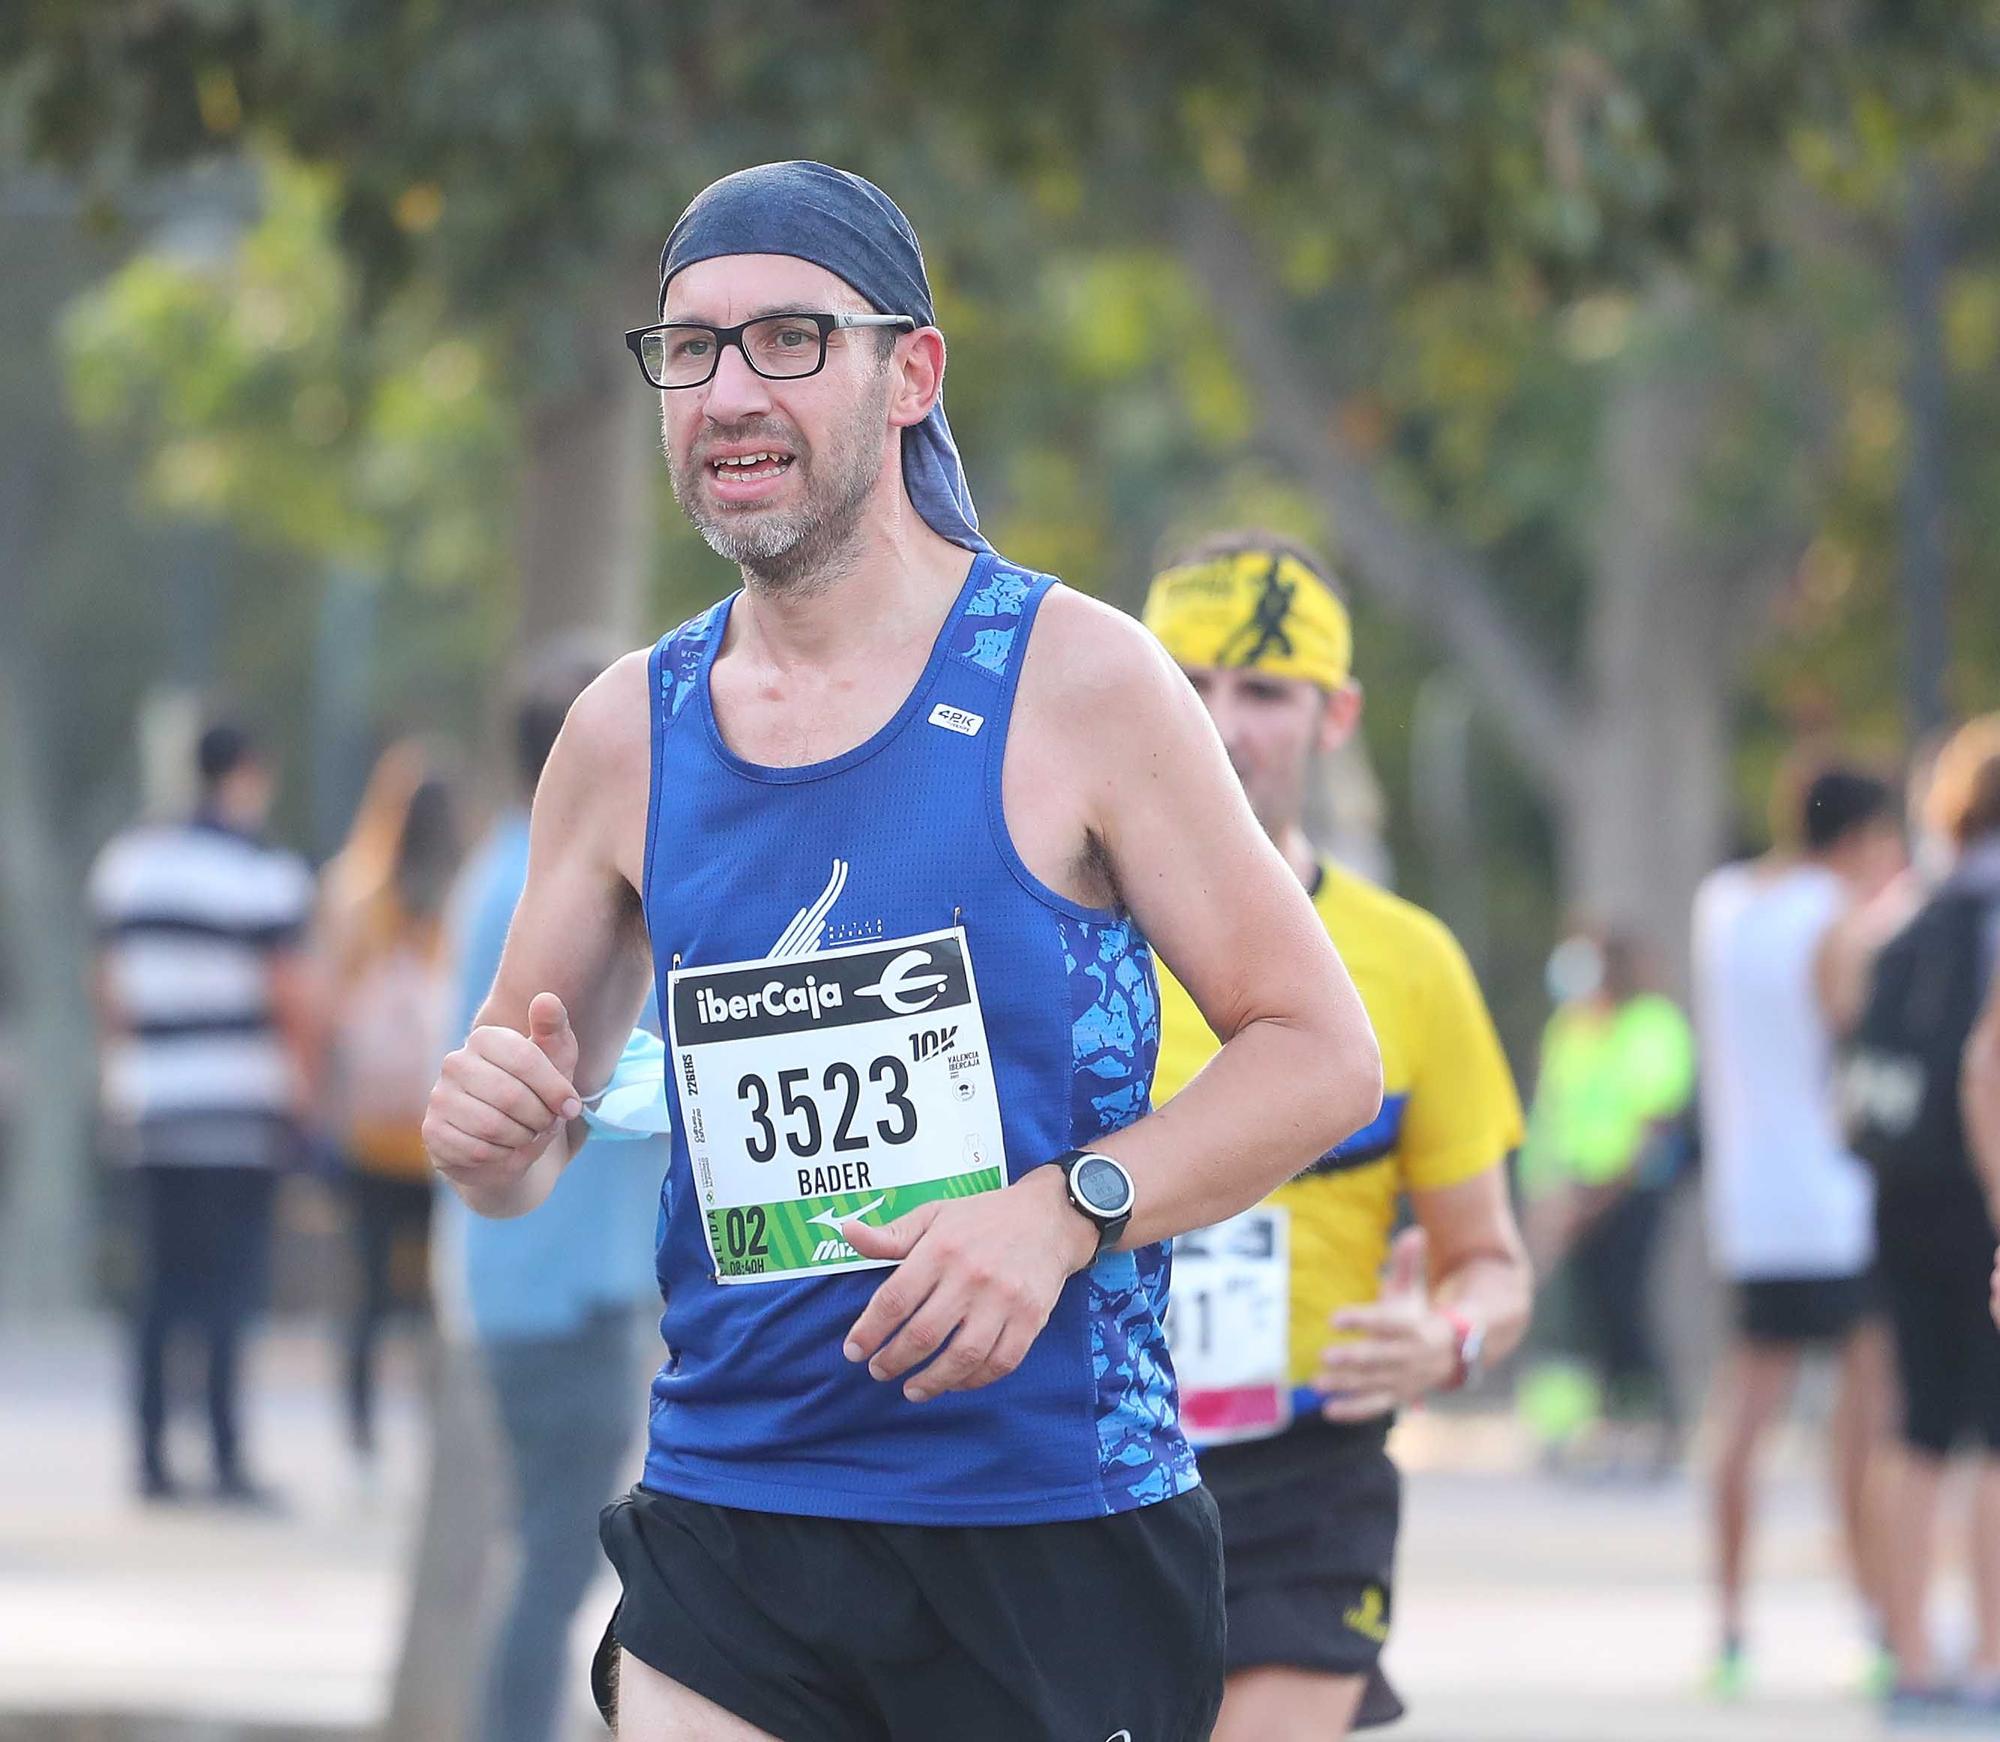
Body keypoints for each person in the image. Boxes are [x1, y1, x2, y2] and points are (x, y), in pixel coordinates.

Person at [422, 160, 1382, 1742]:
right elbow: (524, 1136)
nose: (729, 389)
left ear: (911, 370)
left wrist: (1066, 1213)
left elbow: (1317, 1049)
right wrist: (492, 1135)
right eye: (691, 347)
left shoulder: (1081, 681)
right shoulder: (625, 732)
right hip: (735, 1510)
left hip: (1048, 1522)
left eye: (790, 338)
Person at [1139, 533, 1532, 1741]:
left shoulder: (1408, 964)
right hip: (1076, 1458)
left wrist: (1448, 1336)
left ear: (1336, 715)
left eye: (1261, 688)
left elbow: (1490, 1260)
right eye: (1184, 682)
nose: (1220, 719)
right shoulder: (1045, 935)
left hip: (1303, 1471)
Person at [433, 643, 667, 1742]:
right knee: (557, 1563)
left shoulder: (500, 871)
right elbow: (573, 1072)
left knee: (549, 1556)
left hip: (533, 1281)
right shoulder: (551, 889)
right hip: (562, 1287)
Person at [1691, 764, 1905, 1698]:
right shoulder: (1837, 917)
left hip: (1751, 1202)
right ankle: (1877, 1620)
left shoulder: (1723, 899)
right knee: (1863, 1426)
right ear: (1861, 839)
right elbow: (1851, 1035)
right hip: (1837, 1199)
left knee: (1743, 1421)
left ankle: (1731, 1627)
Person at [88, 717, 315, 1502]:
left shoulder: (129, 867)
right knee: (227, 1288)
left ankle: (150, 1457)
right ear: (248, 772)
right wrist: (305, 1094)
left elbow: (109, 988)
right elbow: (290, 995)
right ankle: (223, 1455)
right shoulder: (265, 874)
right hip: (240, 1105)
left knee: (157, 1289)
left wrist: (131, 1072)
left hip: (153, 1102)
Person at [1845, 715, 2000, 1715]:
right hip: (1980, 1193)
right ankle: (1989, 1652)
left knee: (1914, 1424)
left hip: (1899, 1189)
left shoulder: (1911, 904)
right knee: (1990, 1433)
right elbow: (1986, 1063)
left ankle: (1906, 1649)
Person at [317, 741, 461, 1463]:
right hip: (445, 1138)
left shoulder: (355, 894)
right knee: (439, 1302)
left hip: (372, 1134)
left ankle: (363, 1438)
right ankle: (438, 1434)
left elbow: (329, 1012)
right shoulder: (463, 897)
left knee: (368, 1295)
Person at [1519, 927, 1695, 1470]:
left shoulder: (1652, 1025)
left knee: (1627, 1308)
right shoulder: (1569, 1030)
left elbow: (1654, 1121)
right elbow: (1551, 1119)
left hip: (1630, 1194)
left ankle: (1649, 1420)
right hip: (1569, 1194)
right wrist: (1546, 1200)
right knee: (1579, 1313)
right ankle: (1587, 1427)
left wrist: (1597, 1200)